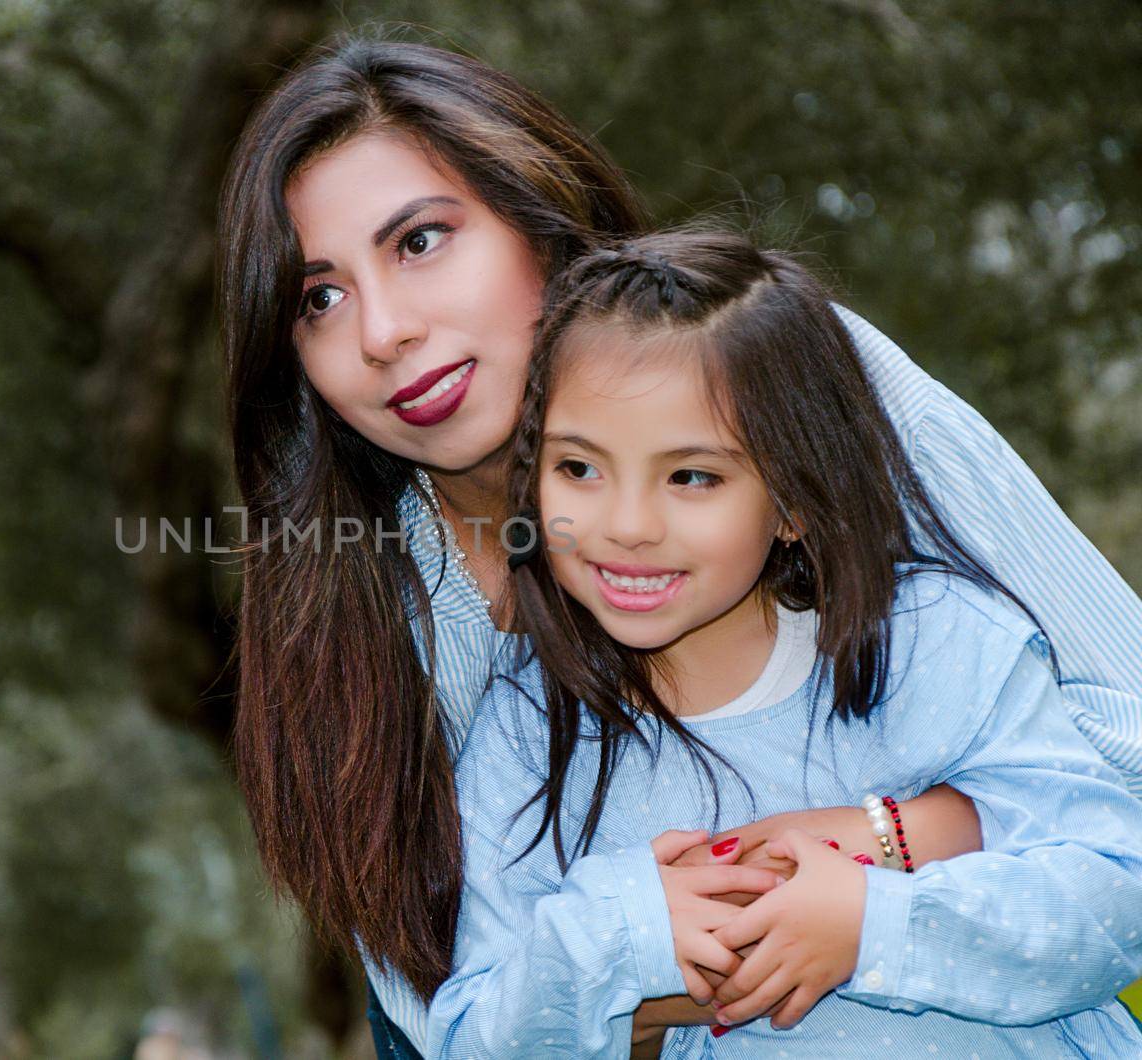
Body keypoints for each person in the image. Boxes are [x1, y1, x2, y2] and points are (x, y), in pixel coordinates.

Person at [215, 34, 1142, 1055]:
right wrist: (647, 947)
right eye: (320, 297)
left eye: (420, 241)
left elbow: (1120, 747)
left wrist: (884, 841)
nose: (382, 329)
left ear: (532, 214)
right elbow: (448, 1016)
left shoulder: (801, 381)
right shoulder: (366, 617)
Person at [427, 229, 1142, 1056]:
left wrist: (874, 923)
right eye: (579, 468)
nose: (625, 526)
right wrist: (624, 934)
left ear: (794, 499)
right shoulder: (529, 736)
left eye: (692, 476)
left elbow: (1114, 889)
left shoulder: (932, 643)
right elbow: (473, 1040)